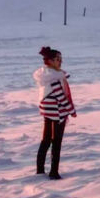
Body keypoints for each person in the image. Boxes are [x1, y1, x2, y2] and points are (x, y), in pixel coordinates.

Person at [33, 47, 77, 179]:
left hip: (47, 113)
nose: (60, 61)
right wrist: (72, 111)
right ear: (50, 61)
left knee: (45, 140)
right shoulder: (54, 77)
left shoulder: (45, 75)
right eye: (58, 59)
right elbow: (60, 97)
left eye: (61, 59)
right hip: (57, 113)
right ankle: (54, 172)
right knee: (56, 142)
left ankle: (40, 170)